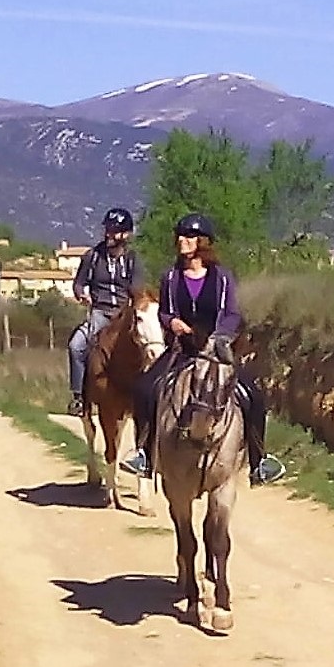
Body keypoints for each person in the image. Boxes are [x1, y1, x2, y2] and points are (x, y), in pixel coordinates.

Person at [120, 212, 285, 486]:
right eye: (180, 236)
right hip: (181, 351)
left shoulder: (221, 278)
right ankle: (145, 455)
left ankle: (259, 461)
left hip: (216, 351)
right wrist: (172, 323)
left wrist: (220, 337)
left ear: (203, 242)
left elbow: (231, 313)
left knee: (252, 395)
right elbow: (165, 311)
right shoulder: (171, 277)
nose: (182, 241)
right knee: (144, 389)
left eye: (189, 236)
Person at [67, 207, 144, 417]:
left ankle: (147, 397)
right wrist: (82, 295)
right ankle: (79, 397)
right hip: (99, 312)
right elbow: (78, 284)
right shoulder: (92, 257)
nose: (109, 234)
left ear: (126, 234)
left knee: (149, 347)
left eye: (115, 230)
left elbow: (137, 289)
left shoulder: (133, 259)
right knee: (77, 346)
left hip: (124, 315)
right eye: (108, 229)